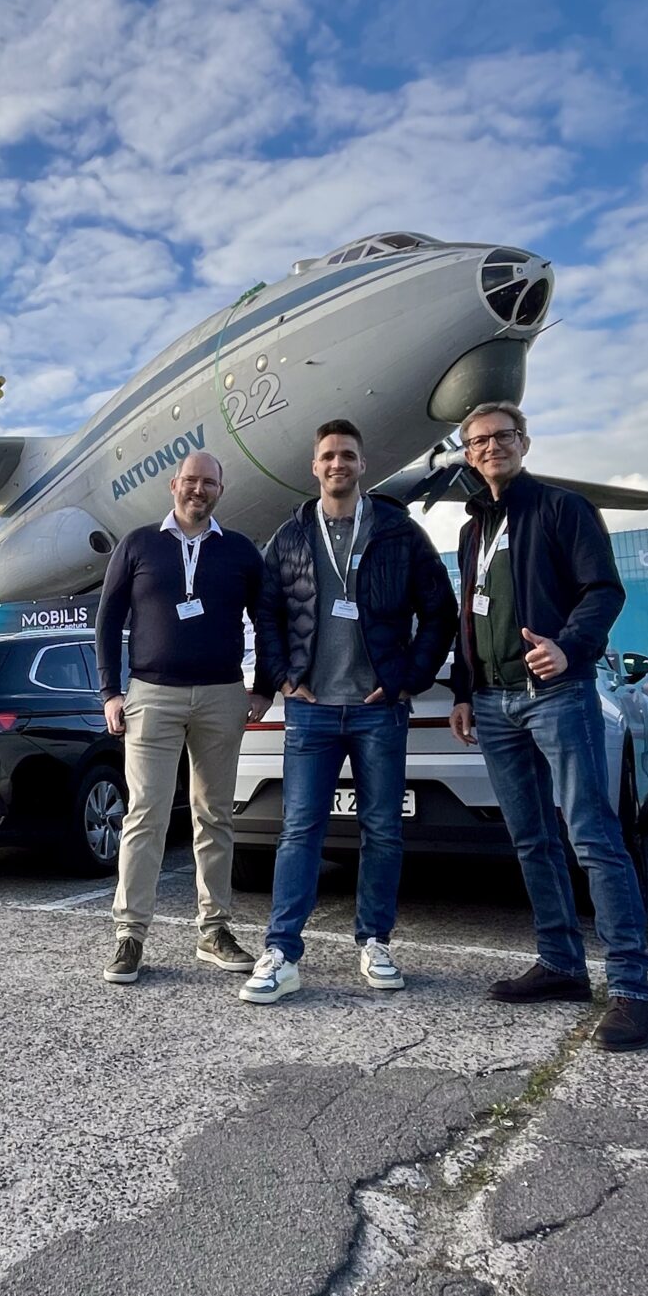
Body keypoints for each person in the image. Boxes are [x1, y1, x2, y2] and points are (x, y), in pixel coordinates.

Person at [447, 401, 648, 1051]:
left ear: (524, 441)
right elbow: (470, 614)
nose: (491, 447)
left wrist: (570, 646)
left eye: (501, 437)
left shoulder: (564, 509)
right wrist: (463, 689)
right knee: (531, 840)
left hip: (556, 694)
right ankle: (562, 965)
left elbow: (604, 591)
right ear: (467, 453)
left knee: (593, 835)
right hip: (494, 702)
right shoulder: (472, 529)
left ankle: (631, 992)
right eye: (478, 441)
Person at [244, 421, 457, 1004]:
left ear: (363, 465)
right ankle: (282, 950)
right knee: (299, 832)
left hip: (378, 710)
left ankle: (376, 941)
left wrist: (408, 678)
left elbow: (440, 611)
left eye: (348, 456)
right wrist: (285, 676)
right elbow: (266, 614)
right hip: (311, 712)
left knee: (383, 829)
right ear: (314, 466)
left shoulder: (397, 532)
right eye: (328, 456)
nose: (338, 464)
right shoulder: (288, 537)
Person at [96, 449, 271, 985]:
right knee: (144, 815)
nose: (199, 490)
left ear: (221, 489)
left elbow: (268, 619)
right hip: (153, 694)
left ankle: (214, 930)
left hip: (222, 695)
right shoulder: (139, 544)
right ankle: (130, 935)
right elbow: (108, 620)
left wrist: (261, 686)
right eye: (190, 481)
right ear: (173, 484)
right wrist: (110, 691)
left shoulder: (239, 551)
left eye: (209, 483)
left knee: (213, 815)